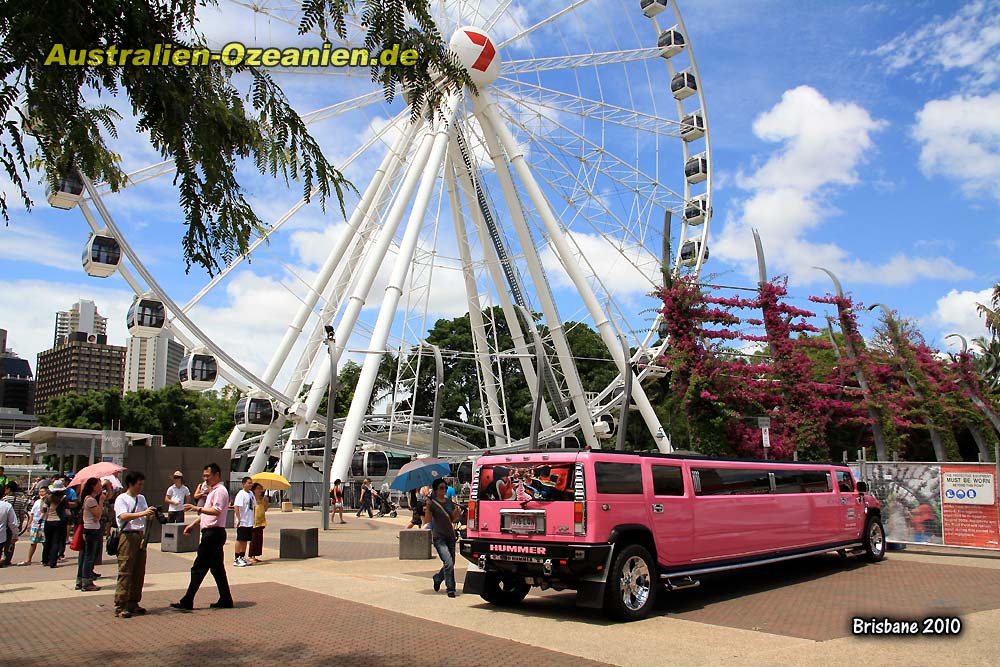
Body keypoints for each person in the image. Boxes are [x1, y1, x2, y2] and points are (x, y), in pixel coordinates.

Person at [171, 462, 234, 611]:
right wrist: (193, 524)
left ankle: (188, 600)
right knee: (217, 568)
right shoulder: (213, 491)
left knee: (199, 567)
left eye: (208, 475)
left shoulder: (220, 491)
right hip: (213, 533)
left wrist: (196, 508)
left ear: (216, 475)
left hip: (213, 534)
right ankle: (225, 599)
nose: (205, 478)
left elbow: (216, 511)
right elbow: (208, 512)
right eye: (204, 475)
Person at [113, 470, 156, 618]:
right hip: (127, 536)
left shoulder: (141, 498)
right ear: (130, 484)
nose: (141, 487)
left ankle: (133, 602)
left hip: (140, 535)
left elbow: (145, 515)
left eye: (142, 484)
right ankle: (121, 604)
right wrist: (143, 514)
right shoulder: (122, 499)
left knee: (139, 571)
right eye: (139, 484)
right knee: (126, 569)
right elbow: (123, 516)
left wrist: (150, 515)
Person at [423, 478, 462, 598]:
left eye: (445, 488)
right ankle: (451, 588)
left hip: (450, 536)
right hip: (439, 537)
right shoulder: (432, 503)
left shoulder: (449, 502)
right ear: (435, 490)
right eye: (441, 488)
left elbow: (453, 519)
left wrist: (457, 513)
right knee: (448, 562)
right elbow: (428, 520)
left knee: (451, 563)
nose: (444, 490)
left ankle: (438, 577)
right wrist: (428, 509)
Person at [75, 477, 104, 591]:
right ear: (93, 486)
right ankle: (86, 582)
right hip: (91, 530)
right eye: (99, 484)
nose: (101, 487)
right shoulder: (90, 500)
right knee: (89, 557)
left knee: (85, 556)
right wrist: (101, 501)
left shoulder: (89, 499)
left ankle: (81, 580)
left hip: (89, 529)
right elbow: (97, 515)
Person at [41, 479, 70, 568]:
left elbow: (44, 510)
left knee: (47, 541)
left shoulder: (48, 498)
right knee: (56, 542)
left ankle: (45, 560)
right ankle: (53, 562)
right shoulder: (64, 498)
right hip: (59, 521)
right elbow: (67, 509)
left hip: (48, 521)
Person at [17, 485, 47, 566]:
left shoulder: (48, 501)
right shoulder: (37, 502)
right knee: (33, 543)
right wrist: (29, 524)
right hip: (35, 524)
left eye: (43, 491)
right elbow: (32, 514)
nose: (41, 493)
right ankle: (29, 559)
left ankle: (45, 559)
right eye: (40, 491)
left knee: (45, 543)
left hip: (44, 524)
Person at [233, 476, 255, 567]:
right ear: (244, 484)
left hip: (249, 521)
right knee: (240, 539)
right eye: (249, 483)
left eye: (251, 483)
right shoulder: (241, 494)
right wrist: (238, 519)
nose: (250, 484)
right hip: (243, 521)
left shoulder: (251, 494)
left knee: (245, 540)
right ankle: (237, 558)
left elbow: (254, 506)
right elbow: (236, 507)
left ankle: (242, 556)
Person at [248, 483, 268, 563]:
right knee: (254, 539)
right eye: (258, 488)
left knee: (259, 540)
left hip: (261, 522)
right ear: (254, 489)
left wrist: (266, 502)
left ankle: (255, 555)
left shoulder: (261, 499)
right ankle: (251, 555)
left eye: (261, 488)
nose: (260, 490)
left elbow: (265, 509)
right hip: (254, 522)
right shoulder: (252, 499)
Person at [0, 485, 17, 569]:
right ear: (3, 494)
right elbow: (13, 523)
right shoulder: (7, 506)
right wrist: (15, 535)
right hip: (1, 535)